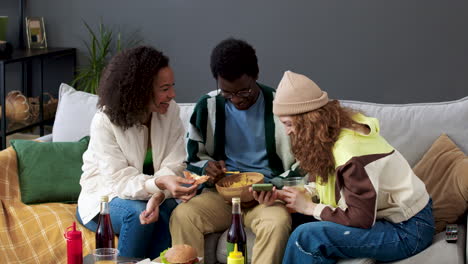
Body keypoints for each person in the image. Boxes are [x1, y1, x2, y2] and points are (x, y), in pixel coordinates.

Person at [267, 70, 434, 263]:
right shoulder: (327, 136)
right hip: (385, 219)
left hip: (409, 230)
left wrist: (310, 207)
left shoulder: (350, 152)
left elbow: (361, 218)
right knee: (294, 220)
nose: (287, 132)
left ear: (308, 120)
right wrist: (295, 195)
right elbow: (335, 187)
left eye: (288, 124)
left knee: (307, 238)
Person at [170, 38, 302, 264]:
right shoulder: (207, 106)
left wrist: (271, 187)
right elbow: (193, 157)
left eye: (244, 91)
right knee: (183, 215)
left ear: (256, 75)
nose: (237, 100)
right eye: (228, 94)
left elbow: (302, 163)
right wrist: (207, 168)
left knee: (277, 223)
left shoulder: (281, 107)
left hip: (266, 196)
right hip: (222, 195)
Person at [76, 46, 198, 259]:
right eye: (164, 88)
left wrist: (158, 196)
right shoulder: (105, 122)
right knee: (137, 214)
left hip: (149, 195)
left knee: (168, 212)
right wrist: (158, 186)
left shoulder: (171, 113)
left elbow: (175, 165)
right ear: (140, 89)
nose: (172, 94)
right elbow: (121, 181)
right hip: (104, 197)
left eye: (172, 86)